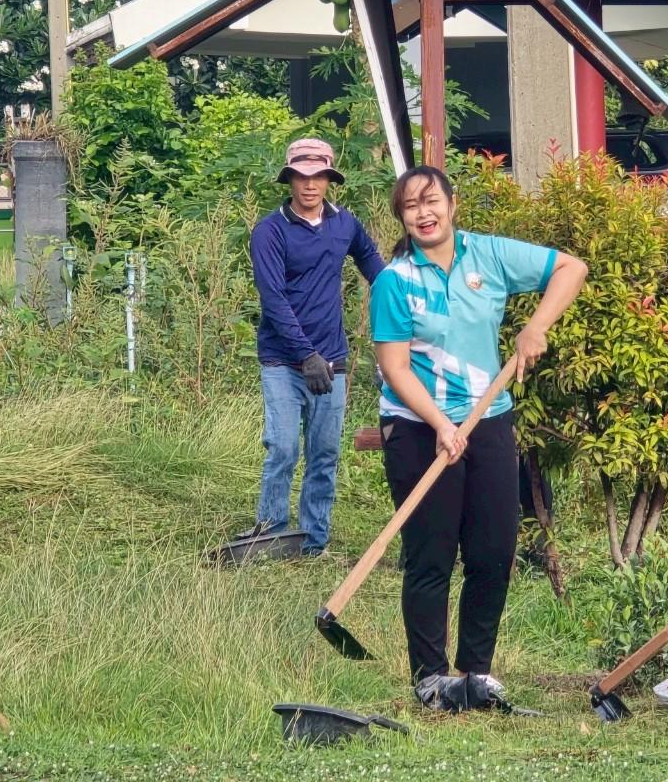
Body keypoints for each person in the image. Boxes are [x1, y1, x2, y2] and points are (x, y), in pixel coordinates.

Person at [370, 166, 587, 712]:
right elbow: (395, 367)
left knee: (493, 549)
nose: (424, 213)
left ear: (453, 203)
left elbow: (571, 268)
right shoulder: (394, 282)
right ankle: (430, 677)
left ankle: (476, 673)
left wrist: (535, 325)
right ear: (402, 216)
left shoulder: (487, 256)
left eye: (432, 201)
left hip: (489, 418)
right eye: (411, 206)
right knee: (431, 553)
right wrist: (440, 424)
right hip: (418, 427)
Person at [237, 138, 385, 556]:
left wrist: (400, 293)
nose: (309, 185)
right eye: (301, 177)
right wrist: (306, 355)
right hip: (284, 361)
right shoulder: (270, 231)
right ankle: (271, 533)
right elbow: (274, 299)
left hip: (332, 360)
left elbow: (370, 259)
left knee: (324, 454)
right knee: (283, 447)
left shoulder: (345, 224)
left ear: (329, 179)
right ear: (289, 180)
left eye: (318, 176)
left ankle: (313, 542)